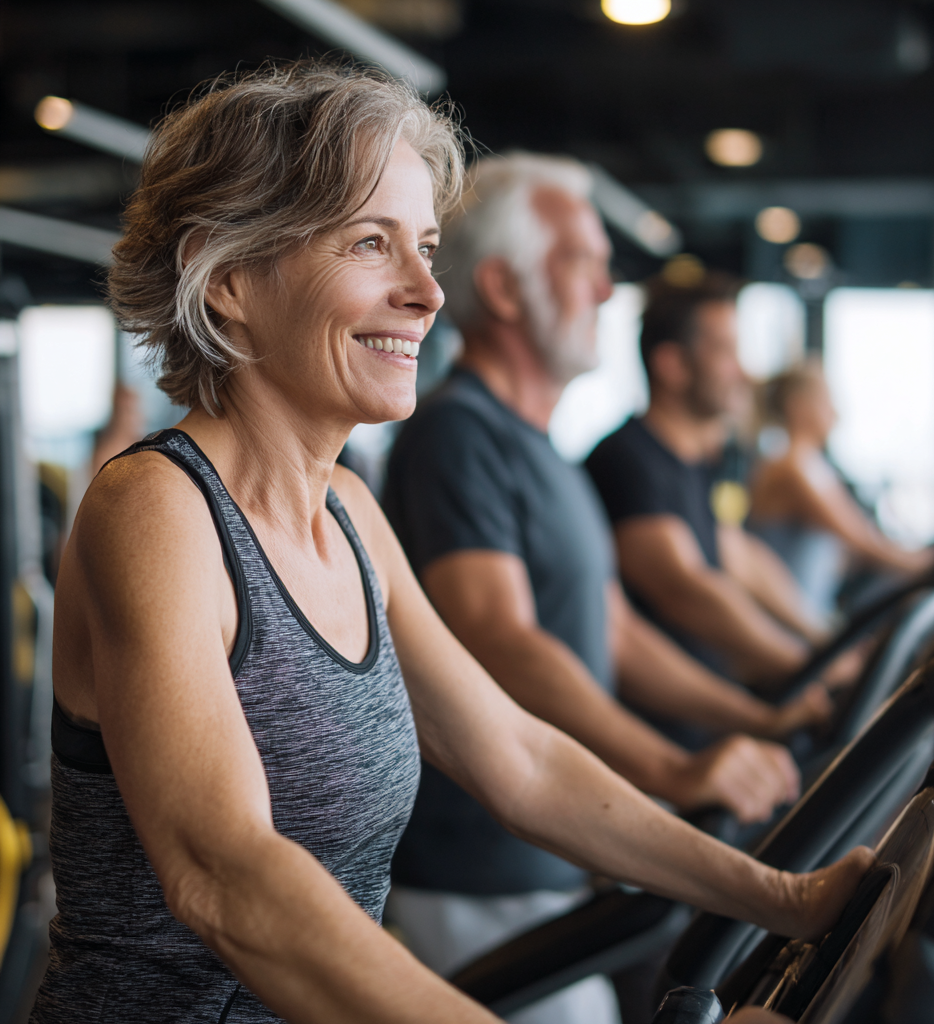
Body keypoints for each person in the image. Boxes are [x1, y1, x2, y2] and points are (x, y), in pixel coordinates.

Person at [33, 66, 871, 1024]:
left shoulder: (349, 512)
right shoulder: (157, 510)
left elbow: (520, 761)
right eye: (370, 243)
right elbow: (226, 877)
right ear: (227, 280)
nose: (428, 292)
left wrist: (785, 898)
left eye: (426, 247)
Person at [381, 154, 835, 1022]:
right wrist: (674, 766)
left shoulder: (541, 447)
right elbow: (506, 644)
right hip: (482, 865)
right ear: (505, 291)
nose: (604, 288)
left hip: (552, 850)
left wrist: (766, 717)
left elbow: (614, 630)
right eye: (582, 262)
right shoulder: (456, 436)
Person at [586, 277, 843, 690]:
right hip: (670, 720)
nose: (742, 371)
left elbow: (739, 557)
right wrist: (813, 666)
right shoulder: (627, 459)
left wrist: (826, 639)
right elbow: (687, 592)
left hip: (720, 695)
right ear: (672, 365)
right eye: (725, 351)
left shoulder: (701, 463)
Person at [749, 359, 934, 619]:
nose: (836, 412)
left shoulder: (812, 465)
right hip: (788, 625)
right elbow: (861, 540)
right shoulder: (791, 466)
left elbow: (852, 547)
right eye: (826, 400)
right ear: (798, 406)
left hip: (811, 610)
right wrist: (929, 563)